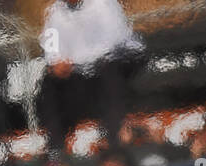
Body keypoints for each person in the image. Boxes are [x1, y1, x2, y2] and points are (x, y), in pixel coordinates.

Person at [38, 0, 143, 154]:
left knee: (110, 72)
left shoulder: (104, 4)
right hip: (80, 71)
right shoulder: (55, 12)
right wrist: (57, 63)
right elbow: (51, 50)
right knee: (49, 83)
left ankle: (115, 142)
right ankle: (55, 150)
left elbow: (111, 44)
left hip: (116, 61)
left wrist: (72, 61)